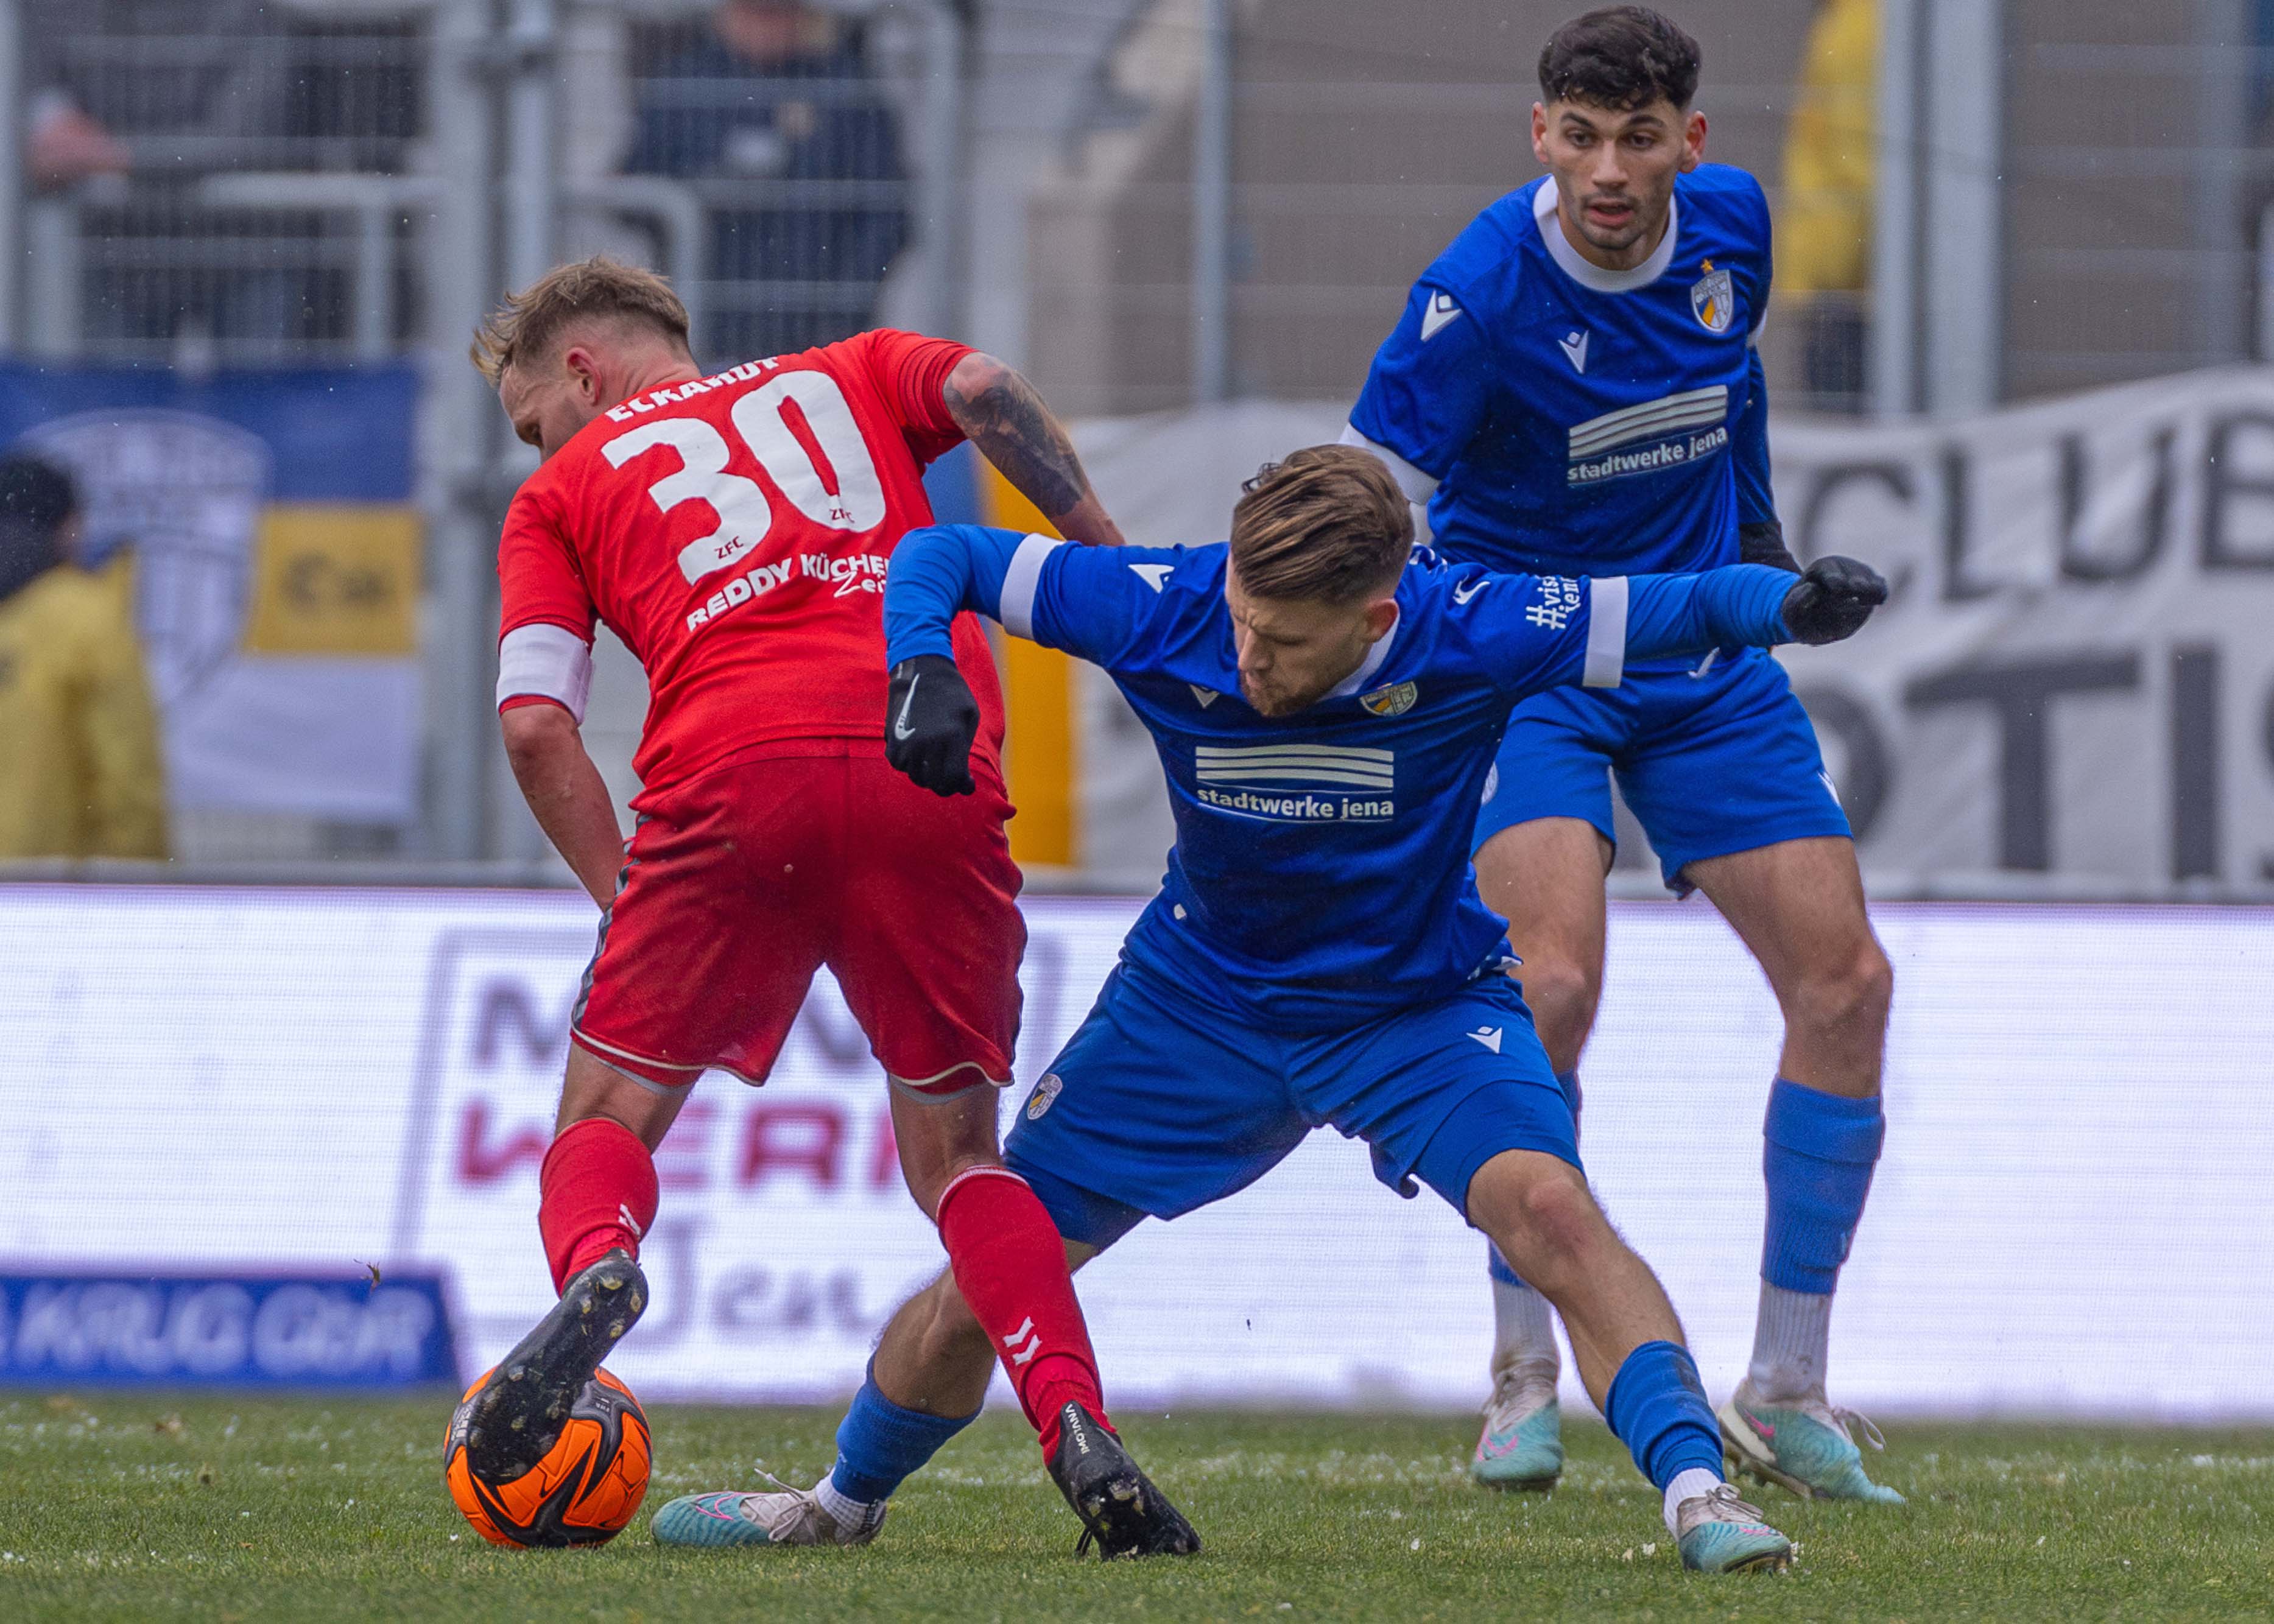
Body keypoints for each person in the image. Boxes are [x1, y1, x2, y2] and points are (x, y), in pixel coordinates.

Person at [652, 446, 1887, 1572]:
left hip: (1411, 1008)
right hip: (1200, 1002)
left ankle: (1697, 1492)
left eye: (1284, 644)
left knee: (1552, 1209)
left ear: (1376, 616)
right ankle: (836, 1501)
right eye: (1241, 623)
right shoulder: (1164, 603)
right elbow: (946, 553)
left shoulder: (1476, 626)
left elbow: (1674, 606)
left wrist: (1789, 607)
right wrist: (918, 659)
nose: (1246, 662)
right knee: (999, 1264)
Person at [457, 256, 1192, 1558]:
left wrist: (625, 898)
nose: (538, 443)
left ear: (580, 369)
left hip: (731, 776)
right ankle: (1075, 1421)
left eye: (531, 419)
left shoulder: (560, 495)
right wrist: (1115, 577)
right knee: (961, 1162)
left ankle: (601, 1271)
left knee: (606, 1117)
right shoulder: (848, 371)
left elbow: (531, 725)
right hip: (929, 752)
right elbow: (982, 388)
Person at [1337, 6, 1901, 1503]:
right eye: (1578, 137)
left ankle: (1786, 1386)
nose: (1606, 168)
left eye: (1636, 138)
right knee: (1552, 989)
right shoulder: (1473, 296)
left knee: (1845, 986)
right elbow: (1374, 493)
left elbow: (1729, 381)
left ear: (1687, 145)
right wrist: (1384, 667)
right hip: (1531, 666)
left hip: (1696, 657)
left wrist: (1761, 531)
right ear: (1541, 135)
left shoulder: (1731, 226)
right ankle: (1521, 1371)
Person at [625, 0, 910, 361]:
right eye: (752, 11)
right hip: (708, 331)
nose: (764, 26)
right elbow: (638, 193)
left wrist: (844, 311)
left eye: (777, 11)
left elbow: (890, 213)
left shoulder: (847, 89)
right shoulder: (682, 83)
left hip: (821, 339)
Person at [0, 453, 168, 862]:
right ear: (70, 526)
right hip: (43, 899)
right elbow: (128, 779)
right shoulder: (88, 621)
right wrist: (141, 889)